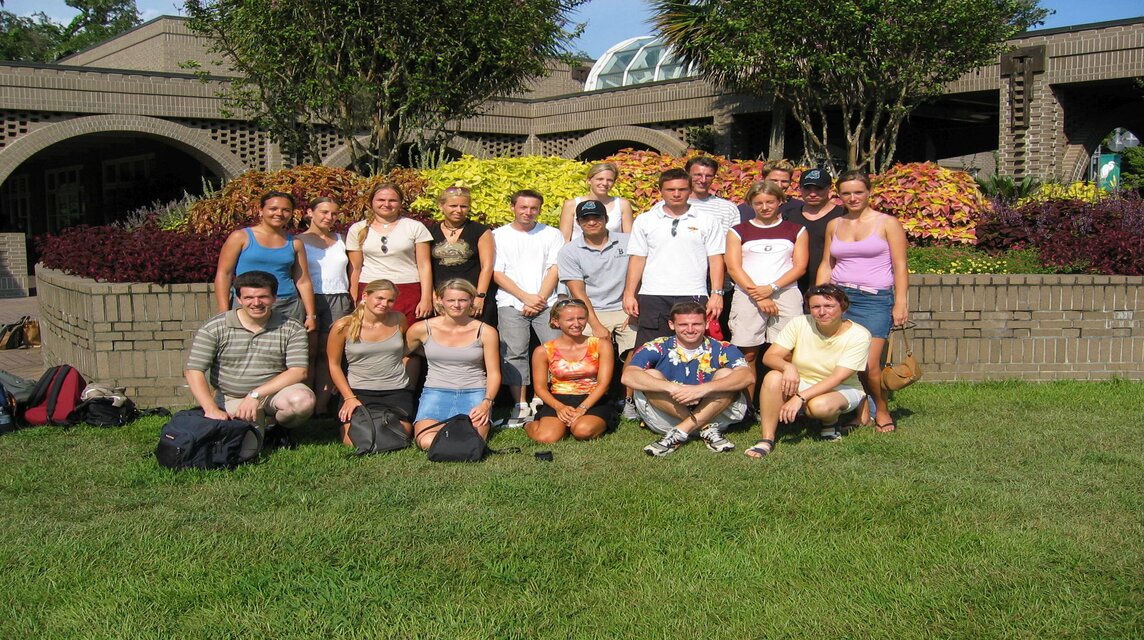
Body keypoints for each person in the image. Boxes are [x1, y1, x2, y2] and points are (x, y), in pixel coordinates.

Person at [817, 171, 909, 433]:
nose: (853, 198)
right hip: (840, 298)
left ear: (869, 193)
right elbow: (827, 262)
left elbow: (900, 267)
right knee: (848, 362)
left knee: (870, 365)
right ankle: (862, 412)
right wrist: (820, 297)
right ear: (839, 195)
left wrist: (900, 303)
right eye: (846, 193)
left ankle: (882, 409)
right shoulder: (835, 224)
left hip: (874, 299)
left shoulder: (887, 223)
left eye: (858, 192)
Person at [747, 285, 872, 458]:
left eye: (829, 306)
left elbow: (837, 378)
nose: (822, 312)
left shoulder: (859, 335)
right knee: (773, 377)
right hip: (803, 380)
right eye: (815, 307)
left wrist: (799, 398)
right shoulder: (799, 323)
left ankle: (831, 422)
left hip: (841, 387)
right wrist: (788, 367)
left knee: (819, 407)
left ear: (843, 307)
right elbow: (770, 357)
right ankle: (767, 439)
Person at [185, 270, 315, 430]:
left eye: (263, 297)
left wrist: (255, 394)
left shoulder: (292, 327)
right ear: (239, 299)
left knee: (302, 401)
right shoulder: (215, 327)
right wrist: (210, 409)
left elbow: (298, 371)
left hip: (274, 394)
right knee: (247, 450)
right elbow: (194, 371)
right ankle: (258, 430)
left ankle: (277, 429)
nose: (256, 303)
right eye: (248, 297)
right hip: (233, 397)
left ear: (274, 298)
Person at [622, 301, 753, 457]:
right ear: (671, 324)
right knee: (650, 376)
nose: (690, 330)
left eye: (696, 324)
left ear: (706, 324)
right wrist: (672, 388)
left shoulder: (723, 348)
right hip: (668, 416)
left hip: (716, 413)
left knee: (726, 375)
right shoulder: (656, 346)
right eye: (683, 324)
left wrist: (701, 389)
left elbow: (747, 376)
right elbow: (628, 375)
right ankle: (705, 427)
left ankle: (680, 431)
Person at [623, 168, 725, 350]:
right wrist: (629, 294)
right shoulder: (645, 220)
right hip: (653, 295)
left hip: (693, 293)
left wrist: (717, 294)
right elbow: (637, 259)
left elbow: (716, 259)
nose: (676, 194)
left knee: (693, 351)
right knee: (650, 352)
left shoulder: (707, 220)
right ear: (661, 191)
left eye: (682, 189)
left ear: (690, 190)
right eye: (670, 190)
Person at [725, 180, 808, 401]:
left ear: (780, 201)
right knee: (748, 353)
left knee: (786, 353)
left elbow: (800, 266)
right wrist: (758, 295)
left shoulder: (796, 230)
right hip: (747, 295)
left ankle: (785, 404)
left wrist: (771, 288)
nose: (764, 207)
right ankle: (747, 406)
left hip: (785, 293)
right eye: (758, 202)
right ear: (751, 203)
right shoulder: (737, 231)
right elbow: (733, 267)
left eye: (770, 201)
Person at [558, 200, 639, 420]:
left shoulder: (629, 242)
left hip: (625, 305)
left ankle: (628, 400)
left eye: (597, 217)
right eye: (586, 219)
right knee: (591, 348)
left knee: (636, 345)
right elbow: (578, 294)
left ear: (606, 219)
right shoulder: (569, 251)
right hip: (591, 310)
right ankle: (594, 399)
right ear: (578, 222)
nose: (592, 222)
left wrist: (633, 305)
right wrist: (594, 324)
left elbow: (641, 274)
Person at [492, 189, 566, 427]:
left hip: (547, 301)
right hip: (511, 301)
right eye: (523, 207)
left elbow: (554, 268)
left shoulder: (552, 234)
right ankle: (520, 404)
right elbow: (497, 272)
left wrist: (539, 298)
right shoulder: (497, 235)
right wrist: (525, 297)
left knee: (553, 351)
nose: (528, 212)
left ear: (540, 209)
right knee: (514, 352)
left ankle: (543, 399)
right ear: (513, 207)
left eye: (533, 208)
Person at [405, 279, 501, 449]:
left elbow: (494, 372)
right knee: (425, 441)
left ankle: (453, 430)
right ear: (440, 300)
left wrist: (486, 402)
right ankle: (453, 429)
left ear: (472, 300)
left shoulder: (486, 331)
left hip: (474, 393)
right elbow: (397, 353)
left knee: (474, 440)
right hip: (435, 392)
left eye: (463, 300)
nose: (456, 305)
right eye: (450, 300)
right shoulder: (421, 329)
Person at [214, 191, 317, 332]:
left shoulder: (295, 243)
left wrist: (311, 315)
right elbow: (223, 274)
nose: (279, 213)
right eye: (273, 209)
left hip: (286, 305)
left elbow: (303, 280)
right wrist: (223, 312)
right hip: (248, 303)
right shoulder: (241, 237)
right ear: (261, 210)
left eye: (286, 210)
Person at [326, 279, 413, 445]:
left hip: (396, 390)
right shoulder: (343, 326)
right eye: (379, 298)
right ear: (365, 296)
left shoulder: (399, 319)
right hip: (359, 390)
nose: (384, 304)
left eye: (390, 300)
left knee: (400, 437)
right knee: (354, 440)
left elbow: (404, 351)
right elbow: (333, 364)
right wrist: (349, 397)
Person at [524, 299, 616, 443]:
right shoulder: (543, 351)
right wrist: (559, 407)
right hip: (559, 398)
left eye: (581, 318)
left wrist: (582, 408)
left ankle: (576, 423)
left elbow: (603, 384)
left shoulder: (602, 345)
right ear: (556, 321)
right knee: (547, 437)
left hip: (593, 398)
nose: (577, 324)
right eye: (570, 319)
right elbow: (540, 388)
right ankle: (528, 424)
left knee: (582, 431)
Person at [346, 183, 434, 327]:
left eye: (392, 200)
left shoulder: (415, 227)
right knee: (371, 333)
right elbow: (355, 267)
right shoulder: (357, 229)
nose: (386, 204)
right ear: (371, 202)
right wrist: (355, 295)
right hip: (370, 288)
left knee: (407, 335)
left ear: (400, 203)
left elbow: (424, 265)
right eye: (381, 200)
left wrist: (426, 298)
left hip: (408, 289)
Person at [298, 197, 352, 415]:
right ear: (309, 212)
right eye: (323, 212)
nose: (329, 217)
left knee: (329, 353)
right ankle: (305, 403)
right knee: (307, 352)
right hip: (308, 299)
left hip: (338, 298)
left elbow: (353, 271)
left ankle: (322, 405)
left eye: (334, 214)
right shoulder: (297, 241)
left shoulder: (343, 240)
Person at [427, 186, 495, 321]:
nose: (458, 210)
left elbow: (487, 266)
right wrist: (433, 296)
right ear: (441, 206)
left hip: (471, 297)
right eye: (453, 205)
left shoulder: (480, 231)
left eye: (463, 206)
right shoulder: (429, 231)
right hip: (442, 298)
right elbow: (424, 267)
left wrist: (480, 296)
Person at [785, 168, 845, 296]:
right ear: (800, 189)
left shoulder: (843, 216)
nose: (812, 194)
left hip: (832, 287)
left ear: (829, 189)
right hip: (792, 287)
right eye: (807, 189)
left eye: (819, 189)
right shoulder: (788, 216)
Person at [558, 162, 634, 241]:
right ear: (589, 180)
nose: (605, 183)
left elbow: (629, 239)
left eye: (609, 180)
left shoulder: (623, 204)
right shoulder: (571, 205)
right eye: (600, 179)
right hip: (578, 252)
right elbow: (564, 240)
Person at [685, 156, 740, 233]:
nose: (703, 180)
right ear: (687, 175)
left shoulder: (727, 208)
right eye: (698, 175)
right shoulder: (669, 206)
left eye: (708, 176)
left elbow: (733, 241)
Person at [737, 161, 803, 224]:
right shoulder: (744, 210)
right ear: (763, 179)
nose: (779, 185)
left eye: (784, 181)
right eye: (774, 180)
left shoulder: (799, 207)